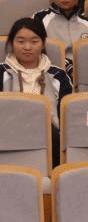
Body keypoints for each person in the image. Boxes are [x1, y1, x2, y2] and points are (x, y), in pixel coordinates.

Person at [1, 18, 73, 154]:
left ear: (43, 44)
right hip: (6, 136)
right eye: (20, 41)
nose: (27, 47)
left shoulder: (58, 76)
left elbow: (68, 116)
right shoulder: (1, 72)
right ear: (11, 43)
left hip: (50, 139)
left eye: (34, 41)